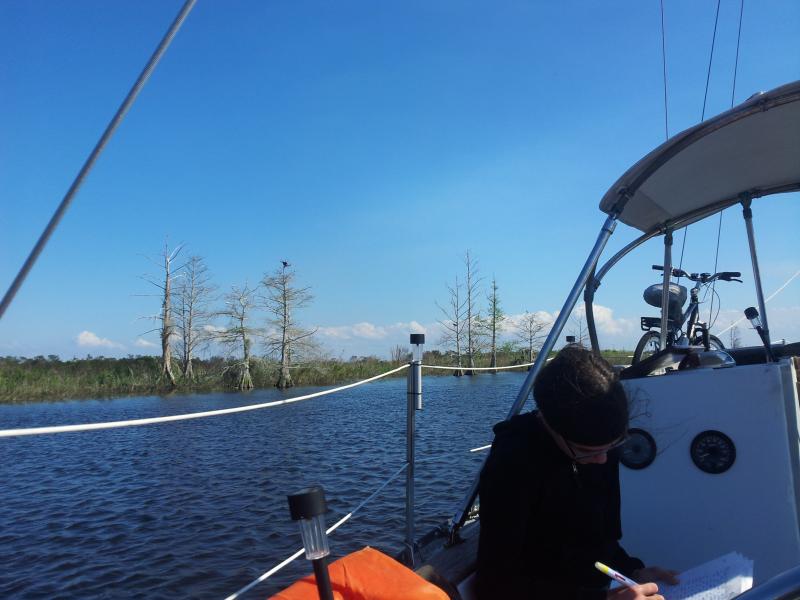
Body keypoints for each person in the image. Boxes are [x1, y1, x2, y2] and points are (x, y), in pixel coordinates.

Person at [476, 346, 677, 600]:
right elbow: (495, 584)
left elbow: (602, 542)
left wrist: (634, 571)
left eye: (613, 446)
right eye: (586, 451)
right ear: (550, 424)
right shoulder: (513, 462)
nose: (602, 459)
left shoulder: (601, 445)